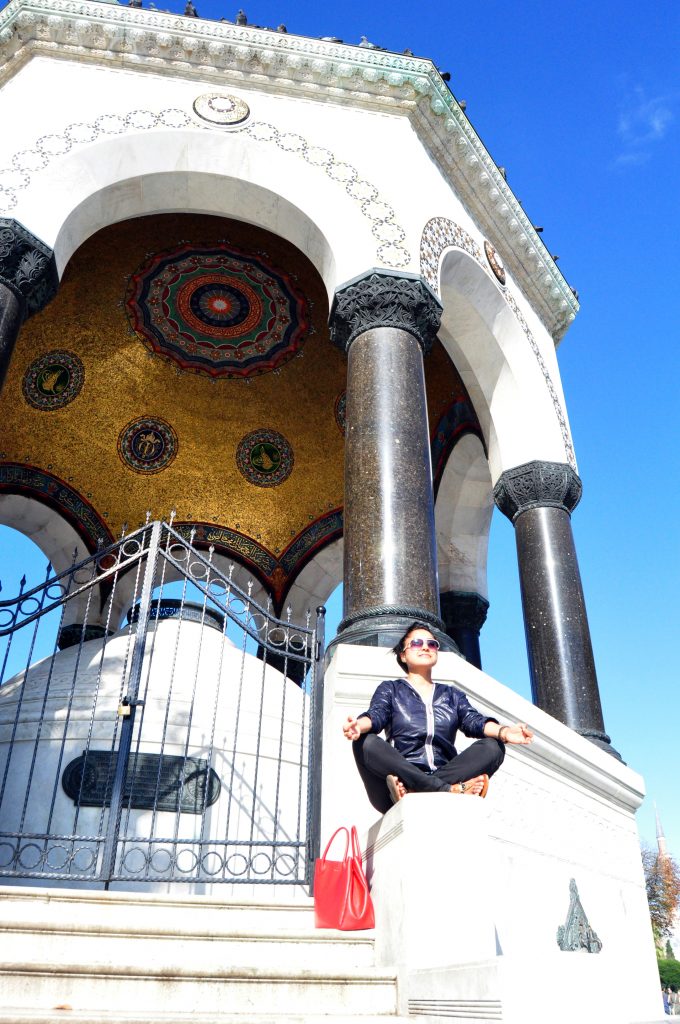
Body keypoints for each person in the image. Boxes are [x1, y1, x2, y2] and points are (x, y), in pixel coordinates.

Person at [343, 621, 534, 812]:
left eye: (432, 644)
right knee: (363, 742)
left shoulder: (451, 695)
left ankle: (419, 790)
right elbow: (377, 715)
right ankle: (446, 790)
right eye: (417, 643)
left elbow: (473, 721)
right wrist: (358, 726)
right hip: (397, 782)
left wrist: (505, 732)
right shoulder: (391, 690)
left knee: (494, 746)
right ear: (403, 654)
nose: (426, 647)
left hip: (443, 774)